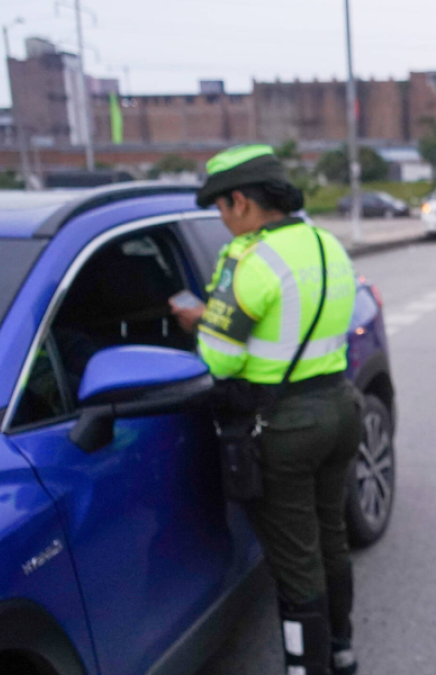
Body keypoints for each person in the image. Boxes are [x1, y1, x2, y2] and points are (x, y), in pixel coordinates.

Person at [169, 145, 359, 675]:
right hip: (340, 409)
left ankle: (308, 669)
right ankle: (342, 652)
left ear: (241, 201)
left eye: (223, 209)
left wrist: (202, 324)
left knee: (298, 564)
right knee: (331, 539)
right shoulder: (327, 244)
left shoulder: (249, 260)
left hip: (285, 426)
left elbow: (220, 361)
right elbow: (292, 317)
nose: (224, 222)